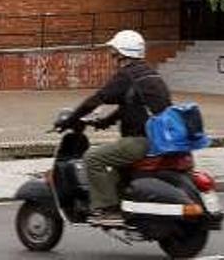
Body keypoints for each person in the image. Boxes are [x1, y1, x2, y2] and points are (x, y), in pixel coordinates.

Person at [54, 29, 172, 225]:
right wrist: (105, 121)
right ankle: (122, 201)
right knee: (115, 168)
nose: (112, 56)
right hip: (158, 141)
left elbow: (96, 99)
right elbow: (132, 106)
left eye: (114, 52)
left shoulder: (127, 75)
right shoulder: (151, 75)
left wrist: (69, 120)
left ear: (123, 53)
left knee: (92, 158)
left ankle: (108, 209)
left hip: (140, 141)